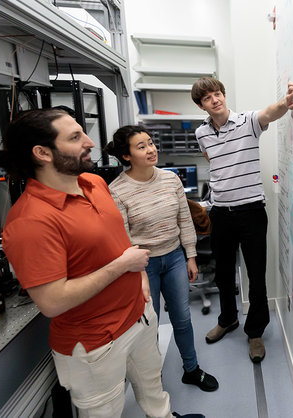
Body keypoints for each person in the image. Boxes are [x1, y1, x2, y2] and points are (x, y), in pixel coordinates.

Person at [0, 108, 204, 418]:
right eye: (76, 137)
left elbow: (119, 238)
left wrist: (140, 277)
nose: (90, 142)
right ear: (42, 153)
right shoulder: (30, 221)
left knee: (154, 392)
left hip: (139, 318)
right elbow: (52, 302)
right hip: (95, 343)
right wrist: (124, 266)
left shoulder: (94, 183)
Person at [191, 77, 293, 362]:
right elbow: (213, 164)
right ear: (201, 105)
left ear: (224, 96)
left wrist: (286, 103)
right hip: (220, 214)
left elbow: (271, 112)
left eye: (218, 94)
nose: (215, 99)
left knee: (256, 276)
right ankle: (228, 319)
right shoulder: (201, 133)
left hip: (251, 212)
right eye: (208, 98)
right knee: (224, 275)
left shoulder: (247, 121)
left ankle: (255, 332)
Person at [105, 125, 218, 391]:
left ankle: (191, 369)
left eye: (151, 143)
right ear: (126, 156)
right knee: (149, 325)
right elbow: (124, 238)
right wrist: (141, 274)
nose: (151, 149)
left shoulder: (170, 179)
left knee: (182, 318)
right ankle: (153, 383)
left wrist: (191, 256)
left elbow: (184, 219)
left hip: (175, 258)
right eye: (141, 146)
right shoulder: (117, 190)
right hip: (144, 266)